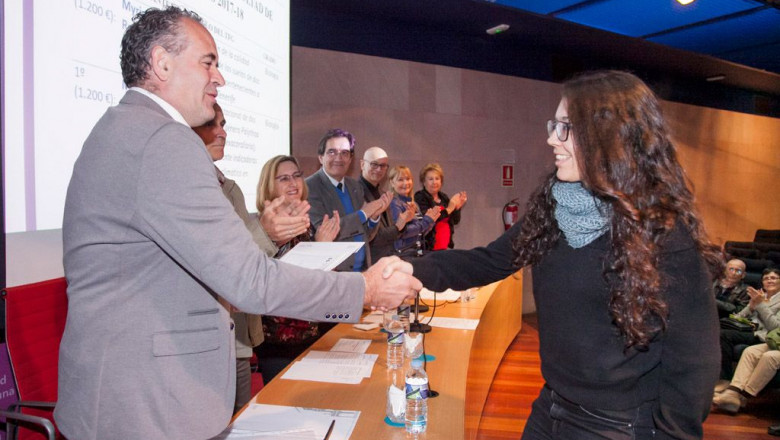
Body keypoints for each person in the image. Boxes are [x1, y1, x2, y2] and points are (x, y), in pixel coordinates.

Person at [57, 8, 420, 440]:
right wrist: (367, 289)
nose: (220, 79)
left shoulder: (125, 129)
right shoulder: (162, 140)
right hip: (145, 407)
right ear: (162, 63)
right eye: (208, 62)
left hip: (131, 400)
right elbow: (249, 280)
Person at [409, 70, 722, 439]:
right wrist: (406, 270)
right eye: (553, 125)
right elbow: (487, 260)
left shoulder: (662, 233)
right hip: (552, 405)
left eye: (565, 127)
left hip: (619, 425)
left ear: (609, 137)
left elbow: (694, 361)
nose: (550, 139)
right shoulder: (553, 210)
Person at [192, 103, 279, 413]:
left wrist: (270, 235)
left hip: (238, 336)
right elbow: (228, 265)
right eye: (211, 125)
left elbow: (247, 258)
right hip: (205, 343)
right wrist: (268, 233)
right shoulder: (189, 188)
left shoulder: (230, 188)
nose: (223, 132)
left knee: (239, 421)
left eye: (224, 124)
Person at [253, 155, 341, 383]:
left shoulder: (306, 223)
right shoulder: (265, 224)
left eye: (296, 176)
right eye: (283, 178)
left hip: (311, 329)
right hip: (279, 339)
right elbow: (271, 278)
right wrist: (319, 249)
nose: (293, 183)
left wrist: (324, 252)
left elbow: (315, 279)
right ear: (269, 185)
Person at [305, 128, 391, 271]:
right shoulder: (309, 187)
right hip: (334, 274)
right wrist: (363, 214)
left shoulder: (354, 186)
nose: (339, 158)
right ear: (321, 157)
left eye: (344, 153)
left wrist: (374, 218)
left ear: (350, 159)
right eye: (332, 152)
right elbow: (324, 232)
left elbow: (365, 234)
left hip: (363, 270)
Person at [718, 267, 780, 384]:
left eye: (773, 278)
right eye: (766, 278)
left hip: (765, 335)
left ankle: (724, 379)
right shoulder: (760, 296)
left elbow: (775, 327)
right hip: (748, 329)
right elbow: (738, 318)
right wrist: (751, 306)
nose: (769, 281)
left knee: (724, 335)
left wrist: (761, 305)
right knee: (720, 329)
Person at [359, 146, 404, 260]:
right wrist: (398, 226)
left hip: (386, 258)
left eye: (383, 165)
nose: (379, 169)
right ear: (362, 164)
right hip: (368, 262)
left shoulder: (382, 193)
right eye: (374, 164)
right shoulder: (355, 193)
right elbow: (369, 236)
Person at [388, 165, 440, 259]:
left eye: (408, 179)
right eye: (400, 180)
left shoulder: (413, 203)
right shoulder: (394, 203)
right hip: (403, 256)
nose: (405, 183)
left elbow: (420, 233)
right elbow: (401, 232)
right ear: (392, 182)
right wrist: (426, 222)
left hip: (416, 253)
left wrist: (431, 221)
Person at [414, 163, 467, 250]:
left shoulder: (444, 197)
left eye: (437, 179)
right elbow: (430, 219)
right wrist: (450, 208)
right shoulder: (420, 197)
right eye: (430, 179)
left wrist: (457, 208)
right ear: (424, 182)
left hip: (445, 245)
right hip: (428, 247)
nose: (434, 182)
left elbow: (455, 221)